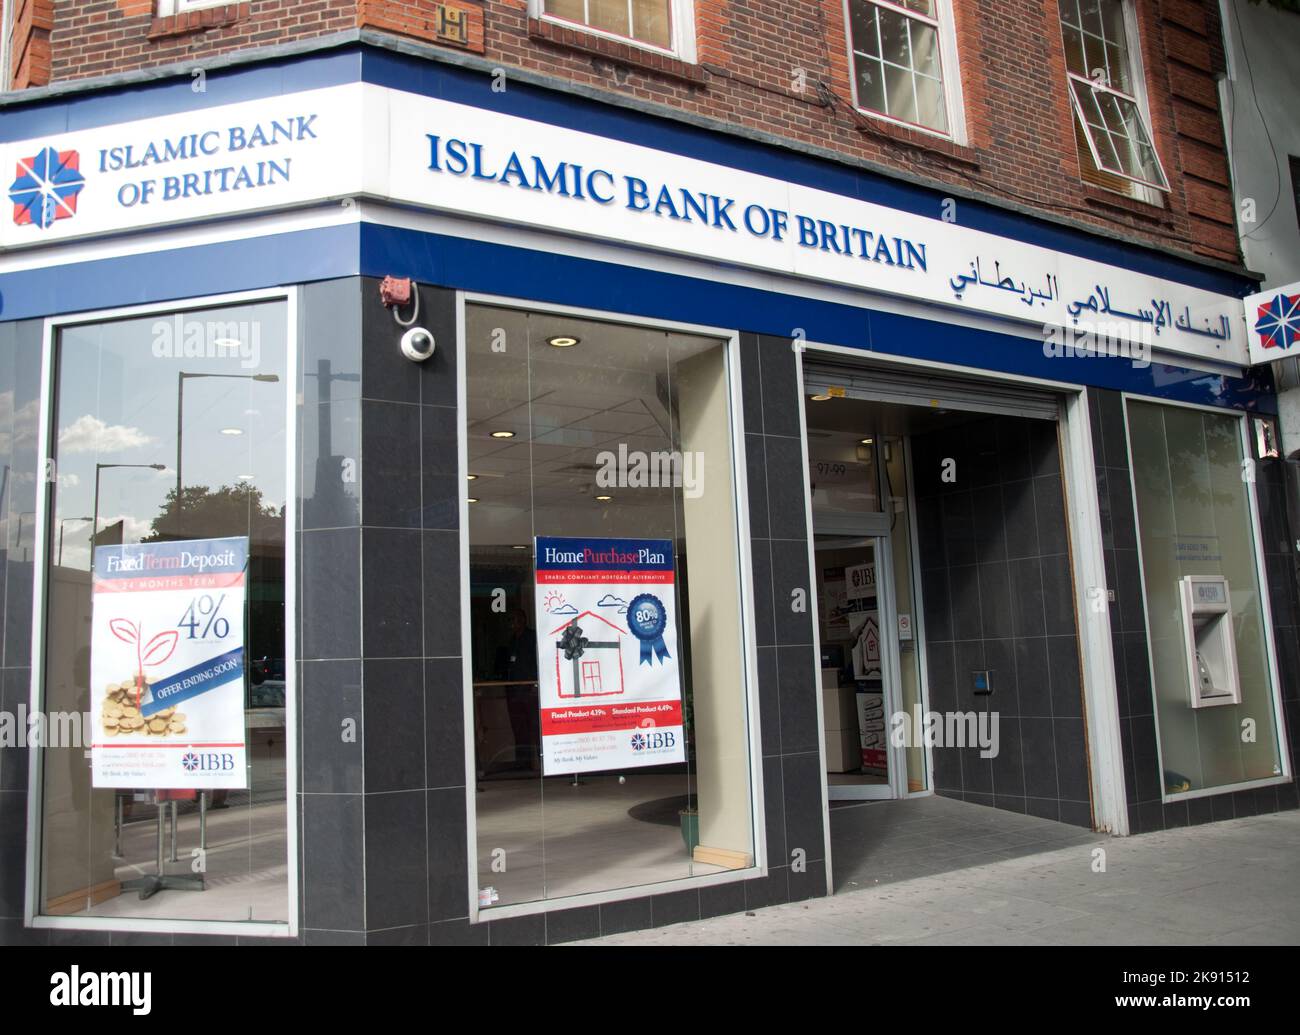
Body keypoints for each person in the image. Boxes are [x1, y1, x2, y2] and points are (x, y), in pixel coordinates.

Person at [500, 608, 539, 771]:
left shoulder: (531, 638)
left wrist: (534, 685)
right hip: (515, 692)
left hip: (529, 691)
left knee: (534, 728)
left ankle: (539, 762)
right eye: (510, 621)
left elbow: (537, 662)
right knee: (519, 728)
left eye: (514, 620)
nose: (512, 624)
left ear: (523, 620)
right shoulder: (512, 641)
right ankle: (522, 763)